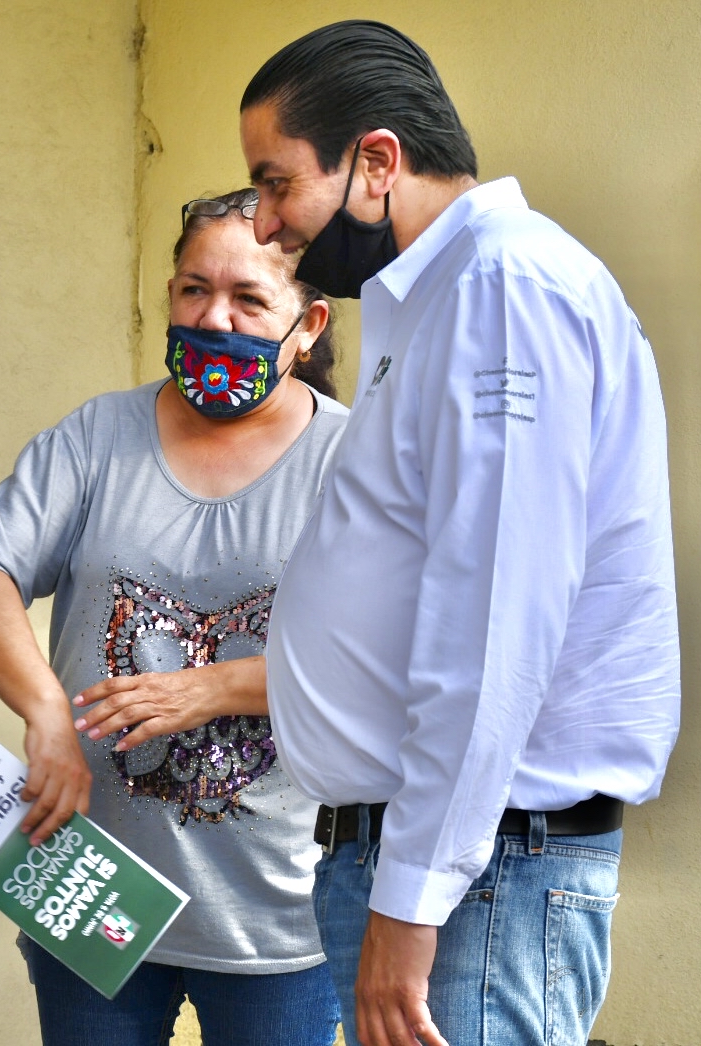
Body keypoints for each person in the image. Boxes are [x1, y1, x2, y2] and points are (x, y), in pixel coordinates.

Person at [239, 21, 680, 1046]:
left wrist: (412, 898)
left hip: (478, 879)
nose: (264, 222)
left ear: (375, 161)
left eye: (275, 183)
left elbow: (494, 615)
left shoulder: (500, 289)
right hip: (454, 869)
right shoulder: (451, 292)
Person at [0, 188, 345, 1046]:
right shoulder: (96, 437)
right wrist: (46, 714)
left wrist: (215, 688)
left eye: (249, 299)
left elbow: (395, 661)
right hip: (90, 886)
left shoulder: (355, 461)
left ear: (308, 325)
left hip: (283, 914)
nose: (215, 318)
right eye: (195, 289)